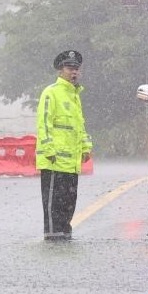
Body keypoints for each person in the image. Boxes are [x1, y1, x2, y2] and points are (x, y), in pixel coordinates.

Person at [36, 50, 93, 241]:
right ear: (60, 70)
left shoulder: (75, 96)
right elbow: (44, 123)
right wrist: (49, 150)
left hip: (72, 162)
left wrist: (85, 148)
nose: (74, 72)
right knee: (54, 203)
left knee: (69, 202)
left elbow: (79, 125)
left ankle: (64, 232)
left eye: (76, 69)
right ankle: (53, 234)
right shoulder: (51, 92)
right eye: (70, 68)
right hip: (54, 161)